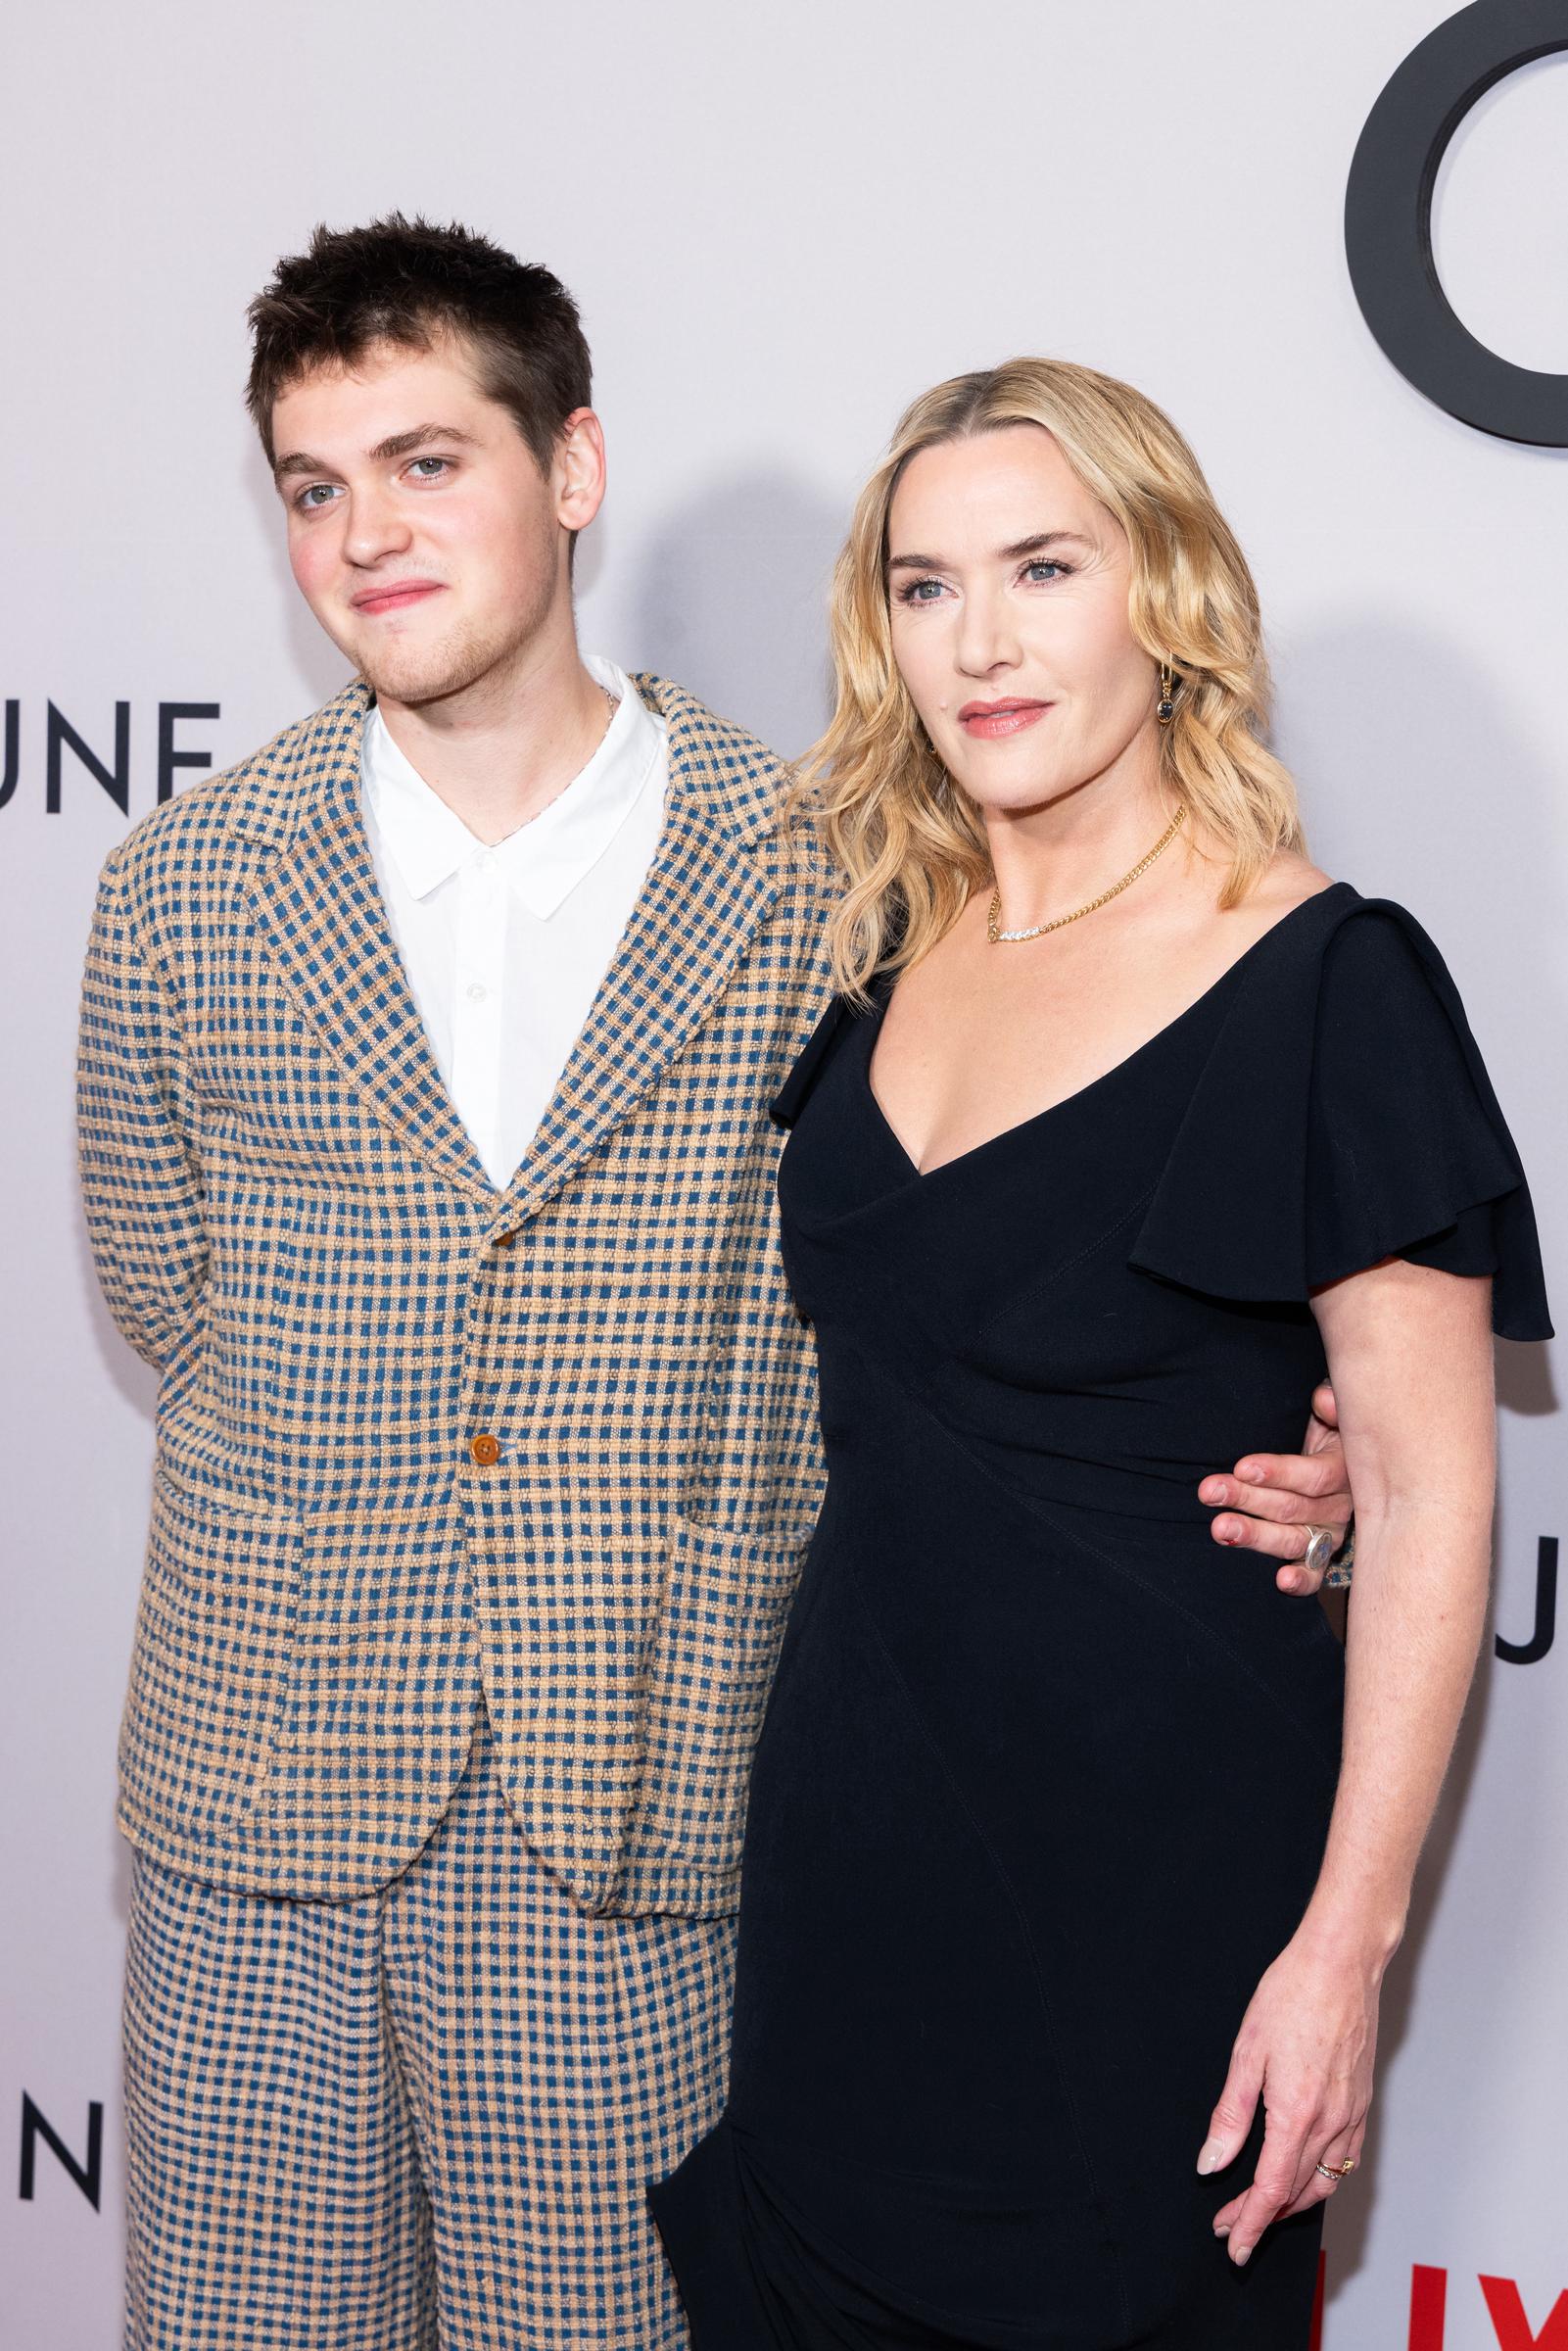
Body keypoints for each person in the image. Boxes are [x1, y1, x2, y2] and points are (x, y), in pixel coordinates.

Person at [78, 226, 1357, 2351]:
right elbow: (169, 1291)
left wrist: (1307, 1461)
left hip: (647, 1814)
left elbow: (988, 1252)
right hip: (259, 1812)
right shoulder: (183, 887)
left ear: (573, 467)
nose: (366, 534)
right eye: (314, 486)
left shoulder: (839, 875)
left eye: (425, 462)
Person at [649, 360, 1552, 2348]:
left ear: (1166, 590)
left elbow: (1426, 1491)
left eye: (1042, 568)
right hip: (848, 1861)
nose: (979, 641)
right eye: (925, 586)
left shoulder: (1325, 979)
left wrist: (1345, 1952)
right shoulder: (886, 957)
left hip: (1162, 1887)